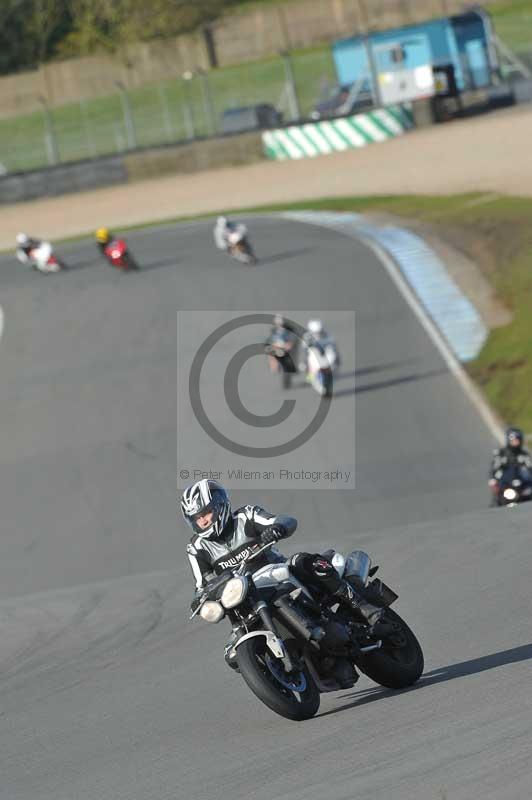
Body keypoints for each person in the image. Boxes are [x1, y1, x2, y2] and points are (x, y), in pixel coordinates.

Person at [182, 479, 386, 670]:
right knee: (232, 656)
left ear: (219, 505)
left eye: (206, 513)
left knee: (304, 560)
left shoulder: (245, 516)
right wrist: (198, 600)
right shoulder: (196, 548)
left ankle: (365, 608)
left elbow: (285, 520)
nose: (203, 521)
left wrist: (277, 528)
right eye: (197, 518)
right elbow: (202, 585)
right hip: (244, 597)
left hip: (277, 574)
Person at [489, 426, 532, 500]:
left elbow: (530, 467)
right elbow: (495, 468)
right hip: (506, 483)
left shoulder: (524, 454)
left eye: (516, 440)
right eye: (513, 441)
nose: (515, 442)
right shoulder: (501, 454)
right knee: (497, 495)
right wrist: (493, 480)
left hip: (521, 483)